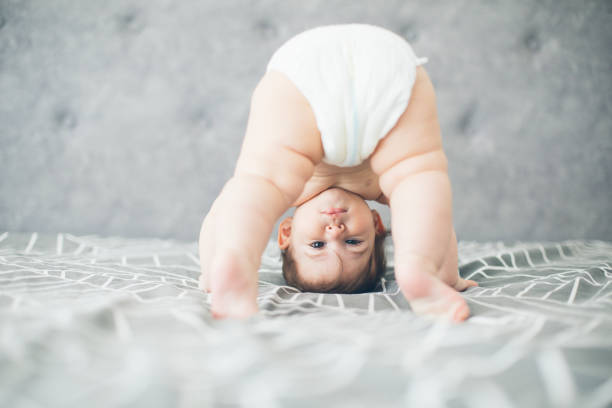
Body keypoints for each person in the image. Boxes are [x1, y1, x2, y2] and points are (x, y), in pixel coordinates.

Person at [198, 23, 477, 321]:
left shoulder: (290, 188)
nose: (335, 231)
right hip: (387, 67)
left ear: (287, 232)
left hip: (302, 74)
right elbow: (435, 221)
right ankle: (420, 267)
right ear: (375, 224)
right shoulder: (383, 186)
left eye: (317, 245)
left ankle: (236, 257)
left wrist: (210, 267)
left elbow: (222, 212)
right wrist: (448, 275)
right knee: (416, 179)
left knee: (260, 182)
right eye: (354, 243)